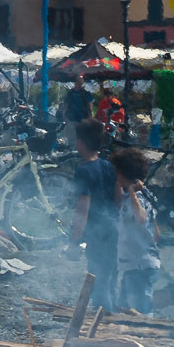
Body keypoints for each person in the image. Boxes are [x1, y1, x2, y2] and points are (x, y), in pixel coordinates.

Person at [68, 122, 119, 309]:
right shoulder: (108, 166)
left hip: (98, 236)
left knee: (99, 285)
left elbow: (83, 209)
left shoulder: (83, 171)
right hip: (114, 230)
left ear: (80, 142)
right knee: (111, 281)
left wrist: (73, 241)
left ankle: (105, 326)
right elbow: (117, 197)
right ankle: (113, 321)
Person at [109, 147, 160, 314]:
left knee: (141, 311)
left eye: (117, 172)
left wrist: (132, 194)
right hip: (135, 265)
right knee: (125, 308)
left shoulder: (137, 200)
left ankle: (146, 337)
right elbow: (156, 234)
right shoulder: (144, 197)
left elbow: (140, 218)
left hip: (140, 267)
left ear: (123, 173)